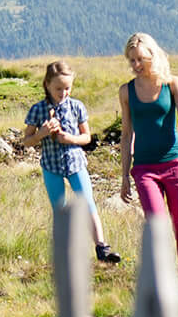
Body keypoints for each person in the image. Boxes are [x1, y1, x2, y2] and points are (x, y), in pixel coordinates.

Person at [17, 60, 121, 264]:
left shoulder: (76, 107)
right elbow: (26, 141)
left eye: (67, 88)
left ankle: (102, 248)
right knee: (59, 207)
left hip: (76, 163)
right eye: (58, 88)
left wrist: (70, 139)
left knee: (88, 203)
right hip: (51, 166)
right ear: (47, 84)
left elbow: (87, 137)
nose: (63, 93)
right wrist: (42, 134)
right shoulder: (38, 110)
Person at [116, 31, 178, 274]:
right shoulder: (126, 91)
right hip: (144, 169)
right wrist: (124, 176)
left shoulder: (172, 84)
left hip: (176, 164)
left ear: (153, 55)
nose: (136, 65)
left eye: (141, 59)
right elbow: (126, 134)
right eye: (131, 60)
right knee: (156, 225)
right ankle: (162, 277)